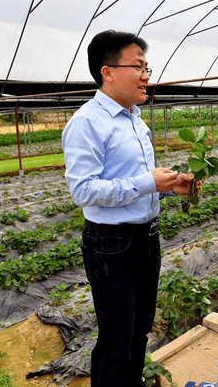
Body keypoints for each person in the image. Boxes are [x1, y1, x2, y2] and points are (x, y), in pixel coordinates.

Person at [62, 30, 197, 387]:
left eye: (147, 68)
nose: (146, 76)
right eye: (138, 67)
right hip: (111, 245)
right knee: (116, 343)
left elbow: (136, 182)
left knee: (139, 333)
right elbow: (83, 190)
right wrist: (149, 182)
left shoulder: (135, 120)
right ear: (108, 72)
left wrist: (169, 187)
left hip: (145, 238)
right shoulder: (87, 122)